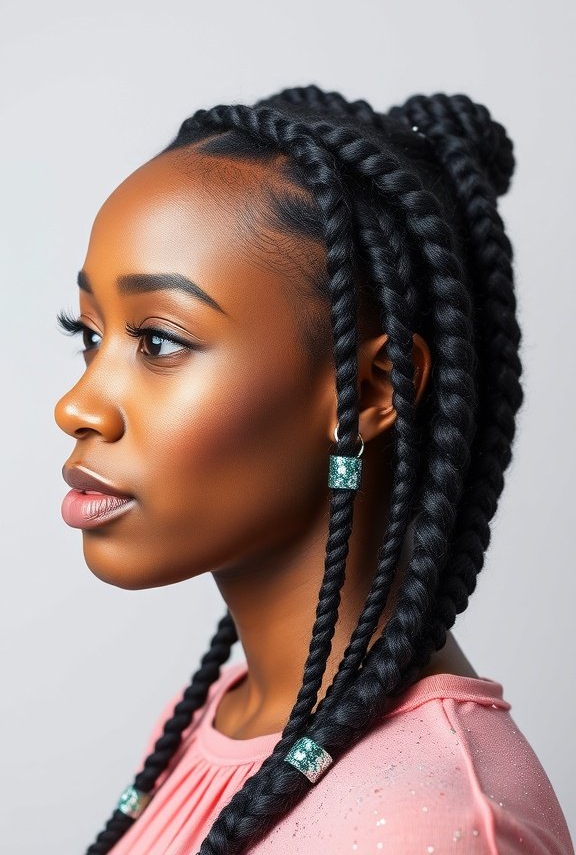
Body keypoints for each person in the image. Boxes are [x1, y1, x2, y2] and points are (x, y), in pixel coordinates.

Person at [54, 85, 574, 855]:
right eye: (88, 336)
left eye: (159, 341)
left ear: (367, 391)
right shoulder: (216, 719)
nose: (77, 407)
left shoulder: (430, 823)